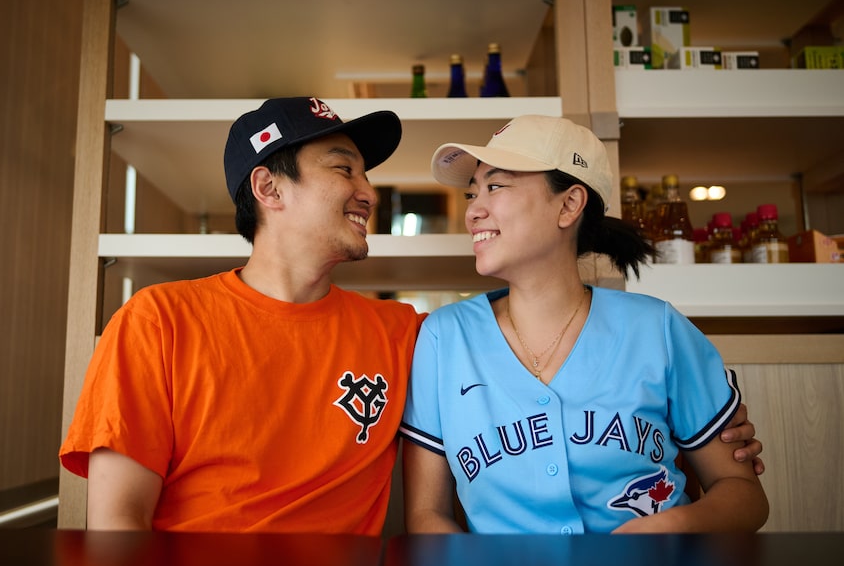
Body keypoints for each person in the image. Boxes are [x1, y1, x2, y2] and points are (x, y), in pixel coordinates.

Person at [60, 98, 764, 535]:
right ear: (268, 187)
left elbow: (732, 486)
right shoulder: (159, 320)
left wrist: (700, 443)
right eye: (345, 168)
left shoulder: (405, 336)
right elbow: (117, 526)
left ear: (569, 205)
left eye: (366, 172)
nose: (369, 190)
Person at [400, 115, 769, 534]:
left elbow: (742, 493)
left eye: (496, 186)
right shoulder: (444, 338)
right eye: (472, 193)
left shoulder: (658, 329)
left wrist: (667, 529)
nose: (473, 212)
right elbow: (426, 517)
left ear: (569, 204)